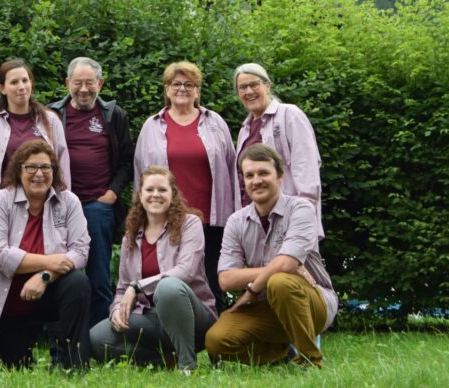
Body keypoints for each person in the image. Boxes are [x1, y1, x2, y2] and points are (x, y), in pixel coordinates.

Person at [205, 144, 337, 368]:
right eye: (249, 175)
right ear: (244, 181)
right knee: (217, 341)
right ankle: (280, 354)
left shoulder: (301, 209)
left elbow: (287, 263)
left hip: (312, 301)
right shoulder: (236, 221)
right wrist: (270, 272)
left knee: (281, 282)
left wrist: (252, 289)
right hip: (265, 305)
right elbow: (225, 279)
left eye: (263, 173)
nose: (256, 180)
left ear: (280, 176)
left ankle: (310, 360)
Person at [0, 140, 92, 370]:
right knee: (15, 367)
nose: (39, 174)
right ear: (18, 170)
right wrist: (49, 261)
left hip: (50, 294)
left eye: (46, 167)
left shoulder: (68, 201)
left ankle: (77, 366)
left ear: (54, 171)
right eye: (31, 167)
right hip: (11, 301)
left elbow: (81, 250)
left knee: (78, 283)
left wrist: (46, 275)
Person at [90, 166, 217, 373]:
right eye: (149, 190)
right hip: (150, 319)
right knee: (97, 339)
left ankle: (187, 365)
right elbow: (122, 288)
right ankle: (161, 361)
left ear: (172, 194)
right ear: (140, 195)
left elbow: (185, 271)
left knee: (168, 288)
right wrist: (116, 311)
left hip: (193, 318)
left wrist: (138, 286)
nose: (155, 195)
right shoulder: (130, 238)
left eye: (162, 190)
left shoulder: (190, 224)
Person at [134, 61, 237, 310]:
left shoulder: (215, 123)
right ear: (167, 89)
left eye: (189, 84)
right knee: (170, 283)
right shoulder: (152, 126)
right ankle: (170, 343)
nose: (182, 89)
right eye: (176, 84)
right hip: (167, 220)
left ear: (198, 90)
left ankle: (218, 344)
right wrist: (140, 217)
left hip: (212, 220)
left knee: (213, 283)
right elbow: (140, 173)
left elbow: (232, 168)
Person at [47, 57, 135, 326]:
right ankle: (61, 330)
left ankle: (99, 333)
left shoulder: (112, 115)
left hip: (98, 206)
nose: (84, 89)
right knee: (58, 268)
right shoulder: (51, 115)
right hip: (59, 204)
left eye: (90, 83)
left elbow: (126, 161)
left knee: (98, 274)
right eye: (77, 83)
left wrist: (112, 193)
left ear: (100, 83)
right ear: (67, 84)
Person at [232, 63, 323, 239]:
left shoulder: (289, 114)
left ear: (267, 85)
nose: (249, 91)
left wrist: (303, 215)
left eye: (254, 84)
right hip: (253, 221)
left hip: (289, 219)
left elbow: (306, 166)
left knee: (289, 266)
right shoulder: (245, 130)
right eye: (242, 87)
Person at [0, 59, 71, 221]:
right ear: (2, 89)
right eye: (14, 82)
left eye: (25, 80)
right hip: (6, 207)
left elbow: (62, 165)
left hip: (45, 205)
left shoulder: (51, 121)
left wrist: (62, 203)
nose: (21, 87)